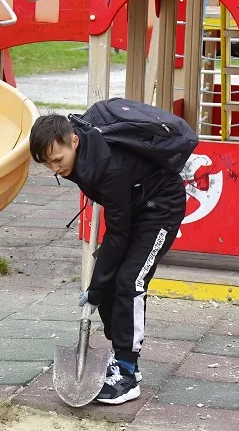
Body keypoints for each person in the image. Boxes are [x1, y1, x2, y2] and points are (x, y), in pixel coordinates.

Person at [28, 109, 187, 405]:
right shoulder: (78, 144)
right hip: (132, 203)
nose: (54, 169)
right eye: (47, 163)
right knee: (110, 280)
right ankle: (123, 357)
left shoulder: (107, 169)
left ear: (74, 141)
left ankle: (126, 375)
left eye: (58, 160)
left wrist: (96, 289)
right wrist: (101, 286)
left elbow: (118, 234)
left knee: (129, 281)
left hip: (159, 208)